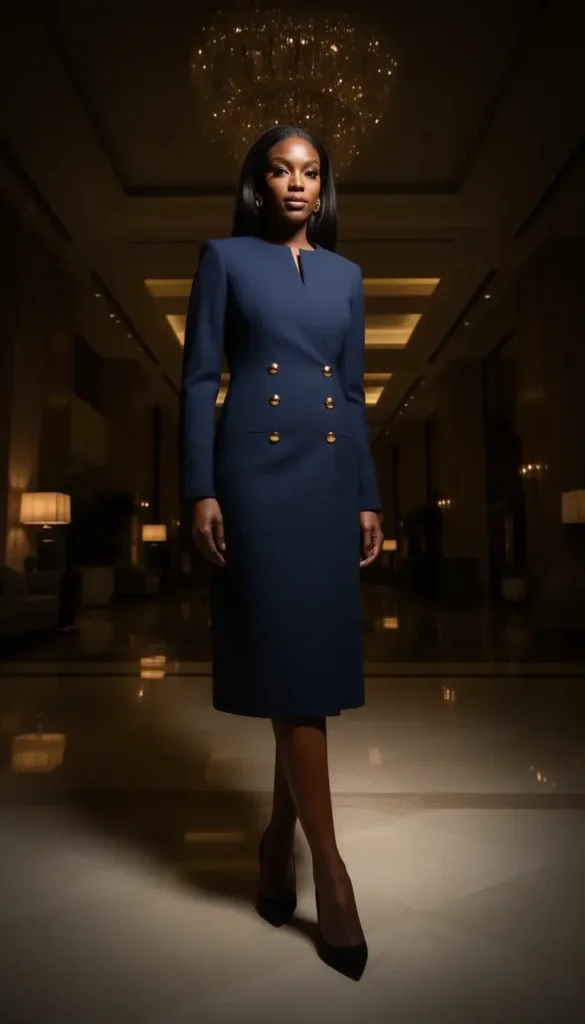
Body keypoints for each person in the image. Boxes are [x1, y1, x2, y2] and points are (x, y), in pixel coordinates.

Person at [180, 125, 383, 980]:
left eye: (310, 172)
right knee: (291, 668)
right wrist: (199, 487)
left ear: (322, 187)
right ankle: (330, 879)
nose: (296, 184)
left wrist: (369, 495)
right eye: (279, 169)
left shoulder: (347, 277)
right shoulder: (224, 259)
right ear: (257, 181)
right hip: (255, 476)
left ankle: (276, 844)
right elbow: (196, 378)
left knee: (302, 669)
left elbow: (348, 388)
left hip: (330, 475)